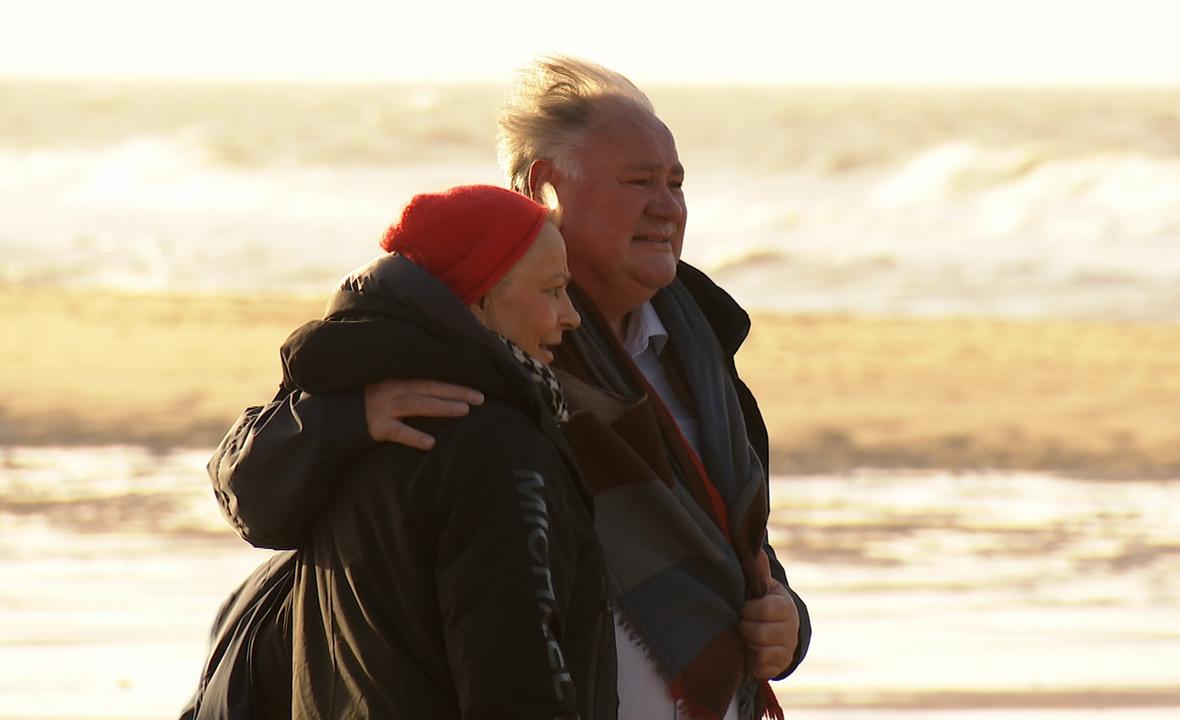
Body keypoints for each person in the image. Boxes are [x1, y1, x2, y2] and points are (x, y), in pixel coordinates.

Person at [209, 57, 810, 719]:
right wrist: (346, 420)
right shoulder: (458, 334)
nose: (668, 207)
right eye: (639, 182)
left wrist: (785, 617)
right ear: (545, 187)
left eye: (676, 183)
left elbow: (724, 538)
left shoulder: (700, 348)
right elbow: (252, 486)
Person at [186, 185, 613, 718]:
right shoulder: (491, 443)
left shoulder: (346, 409)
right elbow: (516, 678)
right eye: (552, 291)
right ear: (478, 301)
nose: (571, 316)